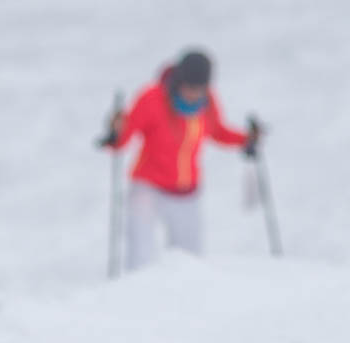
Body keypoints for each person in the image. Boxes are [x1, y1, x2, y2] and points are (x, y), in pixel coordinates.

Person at [99, 50, 259, 271]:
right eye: (189, 87)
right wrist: (114, 133)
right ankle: (136, 295)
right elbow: (125, 135)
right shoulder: (152, 98)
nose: (194, 94)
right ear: (178, 81)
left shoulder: (207, 102)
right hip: (149, 186)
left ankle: (186, 303)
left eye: (199, 88)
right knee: (141, 254)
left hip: (186, 191)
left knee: (190, 261)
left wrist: (246, 139)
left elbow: (217, 131)